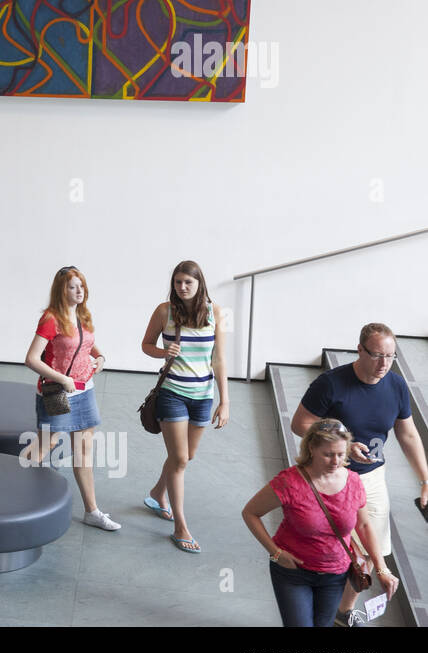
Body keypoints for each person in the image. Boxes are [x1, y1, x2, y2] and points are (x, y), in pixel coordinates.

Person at [290, 323, 428, 627]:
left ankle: (344, 610)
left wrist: (425, 477)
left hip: (372, 476)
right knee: (328, 548)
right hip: (331, 476)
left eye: (390, 356)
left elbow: (408, 435)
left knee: (368, 550)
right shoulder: (331, 384)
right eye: (377, 355)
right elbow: (300, 424)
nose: (384, 364)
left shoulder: (396, 386)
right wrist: (344, 445)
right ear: (360, 350)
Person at [243, 419, 399, 627]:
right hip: (293, 572)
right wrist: (275, 552)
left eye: (341, 454)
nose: (336, 461)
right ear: (312, 448)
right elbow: (251, 512)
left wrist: (381, 568)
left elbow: (363, 526)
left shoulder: (353, 481)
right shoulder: (289, 482)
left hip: (335, 575)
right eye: (328, 454)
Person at [139, 260, 229, 554]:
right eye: (178, 283)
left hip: (203, 396)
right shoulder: (164, 311)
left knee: (186, 456)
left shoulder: (215, 313)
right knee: (179, 460)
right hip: (172, 393)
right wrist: (163, 352)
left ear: (199, 283)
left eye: (188, 283)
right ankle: (180, 527)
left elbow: (219, 360)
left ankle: (156, 493)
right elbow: (146, 345)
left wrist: (224, 400)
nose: (182, 287)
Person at [24, 266, 119, 531]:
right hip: (58, 392)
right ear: (61, 290)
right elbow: (31, 359)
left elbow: (87, 344)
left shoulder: (83, 315)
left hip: (84, 390)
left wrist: (100, 358)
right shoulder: (50, 319)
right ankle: (16, 491)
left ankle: (92, 511)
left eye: (81, 286)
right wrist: (62, 378)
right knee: (47, 444)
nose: (79, 291)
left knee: (84, 450)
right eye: (72, 287)